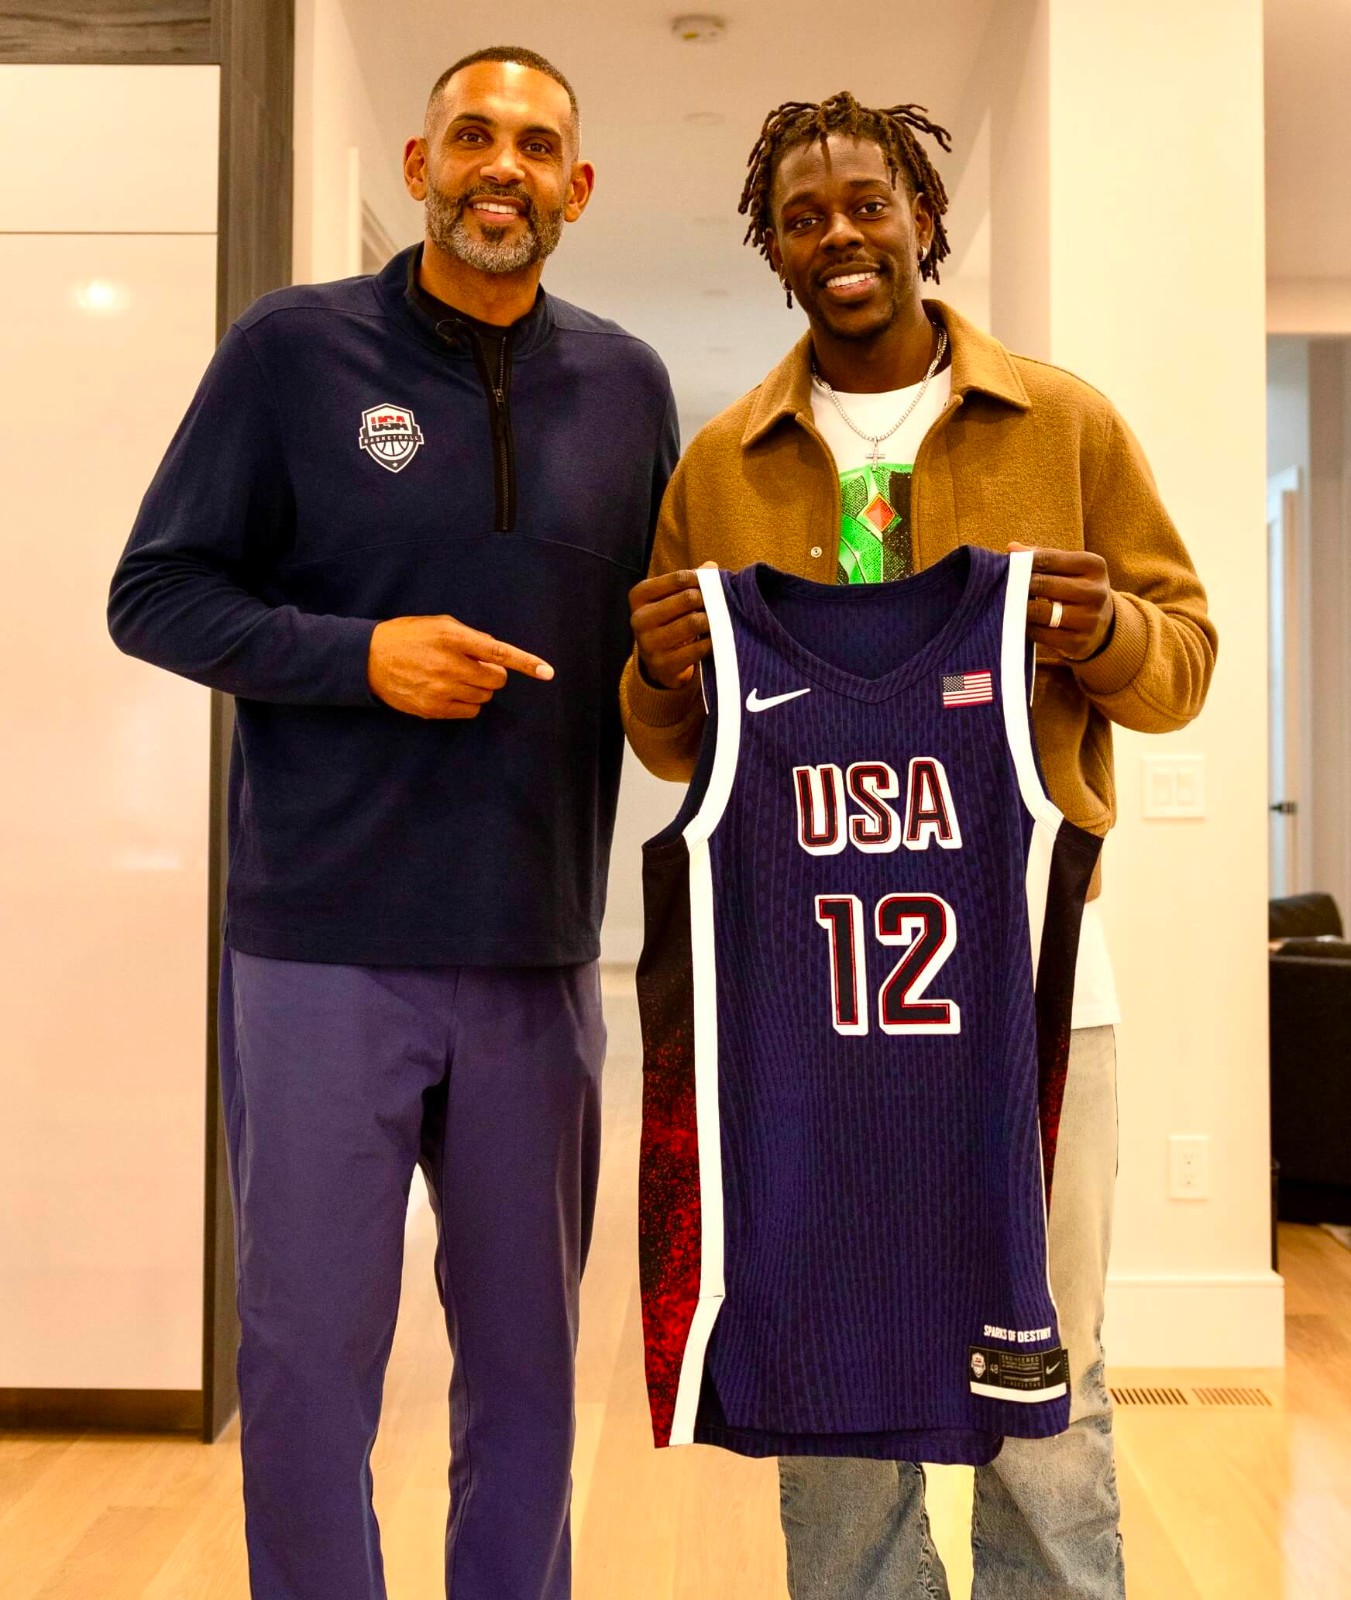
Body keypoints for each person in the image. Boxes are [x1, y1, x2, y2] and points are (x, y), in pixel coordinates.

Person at [621, 91, 1216, 1600]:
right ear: (773, 248)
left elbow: (1183, 667)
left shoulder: (1065, 423)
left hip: (1034, 991)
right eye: (803, 218)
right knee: (826, 1368)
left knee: (1045, 1377)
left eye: (866, 204)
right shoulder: (721, 465)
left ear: (922, 217)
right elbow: (677, 746)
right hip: (806, 1005)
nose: (840, 236)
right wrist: (659, 673)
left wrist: (1109, 630)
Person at [109, 45, 677, 1600]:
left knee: (530, 1383)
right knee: (305, 1378)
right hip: (320, 954)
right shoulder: (292, 353)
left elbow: (661, 649)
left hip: (538, 958)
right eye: (473, 135)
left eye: (537, 145)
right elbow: (154, 595)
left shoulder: (629, 388)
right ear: (421, 166)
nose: (504, 165)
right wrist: (360, 657)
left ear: (576, 187)